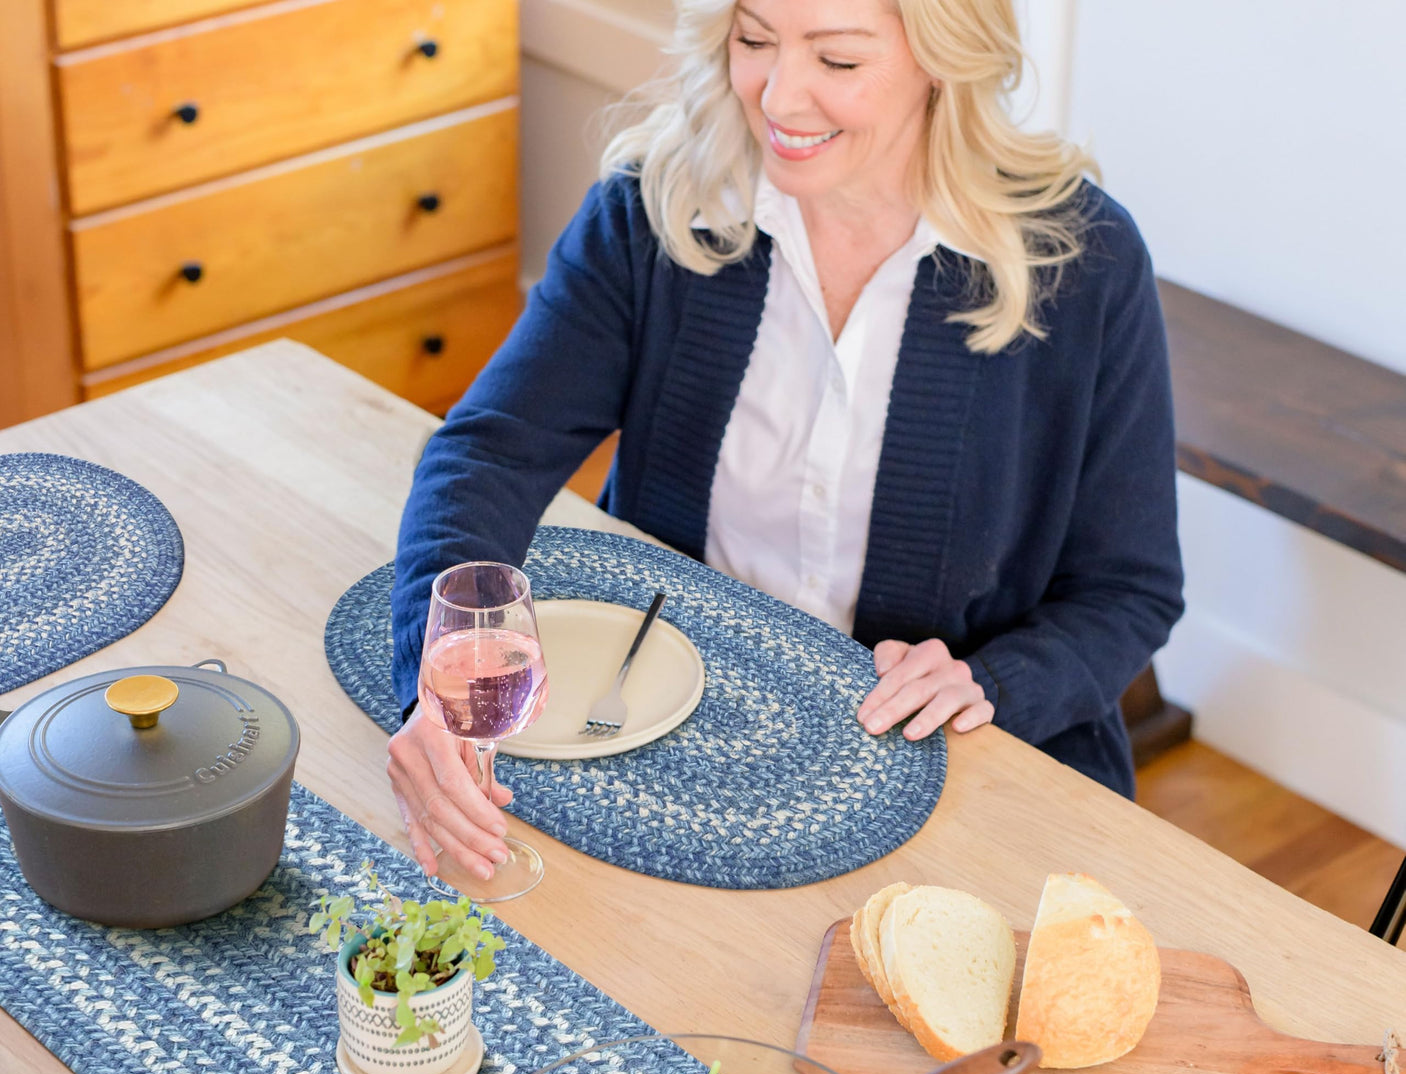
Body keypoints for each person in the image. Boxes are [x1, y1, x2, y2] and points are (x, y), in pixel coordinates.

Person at [388, 0, 1183, 884]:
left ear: (942, 58)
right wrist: (444, 663)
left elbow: (1128, 591)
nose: (780, 95)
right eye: (755, 40)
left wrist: (993, 683)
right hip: (662, 747)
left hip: (954, 783)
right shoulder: (655, 212)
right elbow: (489, 451)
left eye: (838, 60)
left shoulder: (1084, 262)